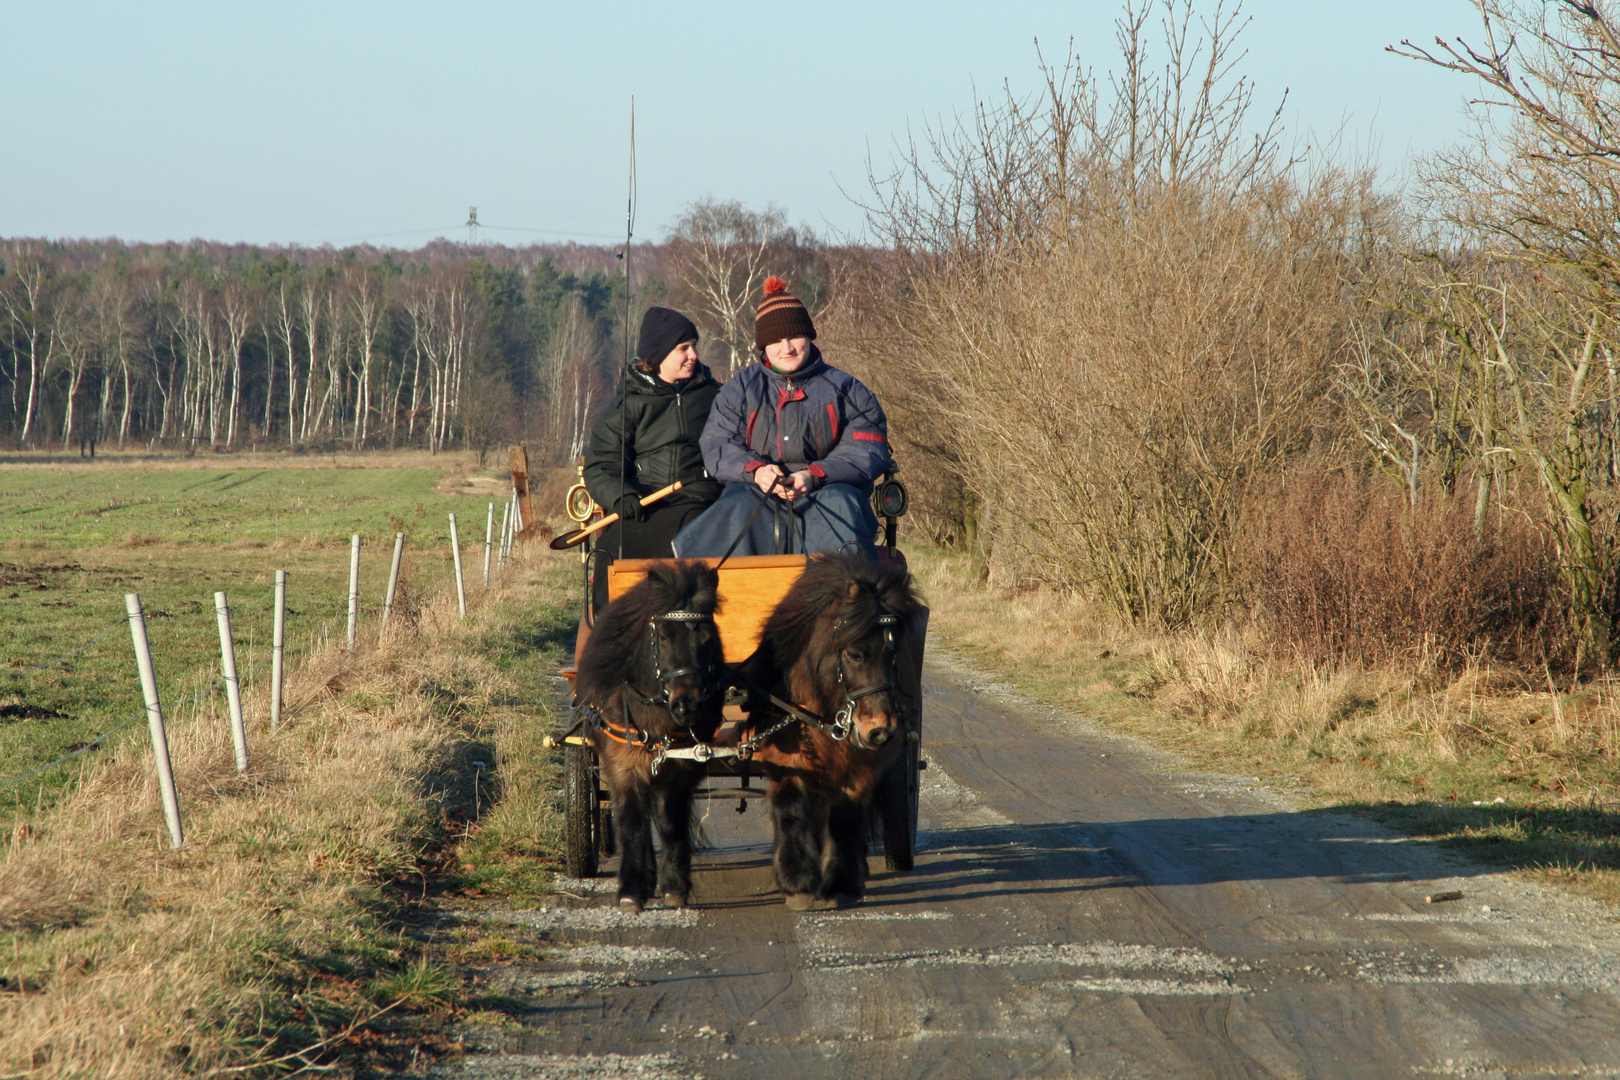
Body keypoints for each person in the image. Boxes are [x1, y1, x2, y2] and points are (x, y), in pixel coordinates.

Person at [673, 277, 889, 558]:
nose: (786, 348)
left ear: (808, 336)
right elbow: (718, 442)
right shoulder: (741, 388)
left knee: (843, 506)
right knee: (733, 508)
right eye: (775, 340)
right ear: (763, 346)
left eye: (794, 337)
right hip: (755, 492)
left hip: (827, 491)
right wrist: (755, 471)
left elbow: (867, 447)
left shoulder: (846, 388)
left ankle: (844, 595)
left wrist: (815, 475)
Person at [582, 306, 721, 617]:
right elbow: (602, 463)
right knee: (609, 552)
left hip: (705, 502)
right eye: (683, 348)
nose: (694, 355)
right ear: (657, 356)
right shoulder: (628, 404)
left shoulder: (714, 395)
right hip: (647, 507)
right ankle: (609, 641)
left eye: (694, 346)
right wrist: (622, 496)